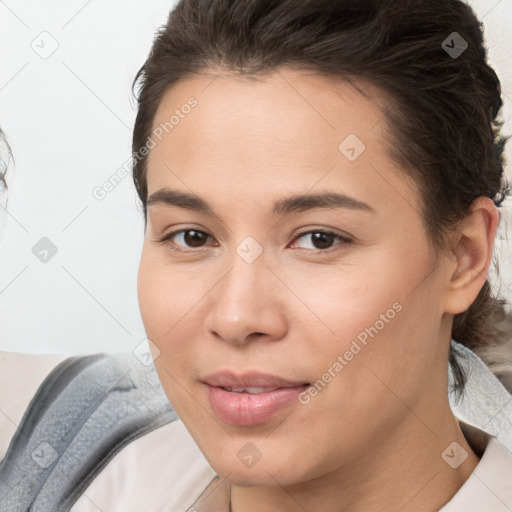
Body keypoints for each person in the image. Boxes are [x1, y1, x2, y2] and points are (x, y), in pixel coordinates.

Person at [1, 1, 511, 511]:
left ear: (464, 257)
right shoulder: (55, 454)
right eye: (193, 237)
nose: (237, 317)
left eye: (319, 239)